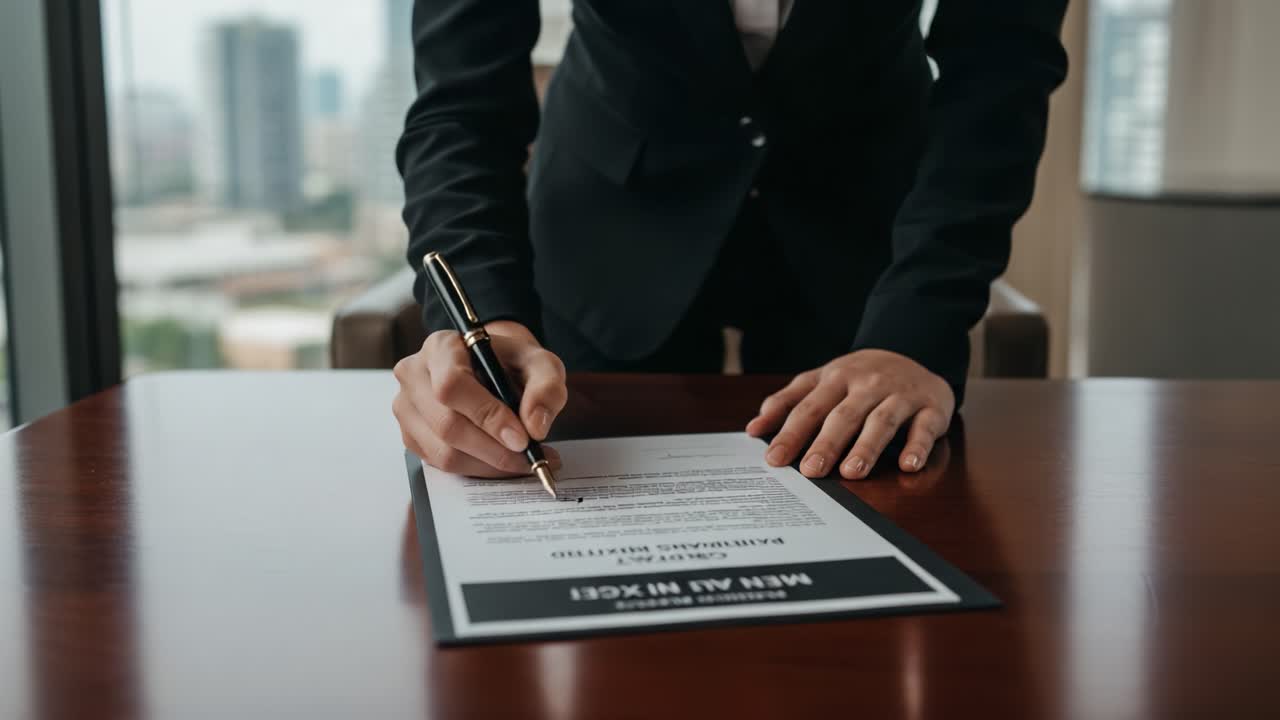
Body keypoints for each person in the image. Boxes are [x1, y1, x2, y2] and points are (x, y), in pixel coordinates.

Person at [392, 0, 1068, 481]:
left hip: (864, 233)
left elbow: (999, 76)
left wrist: (916, 333)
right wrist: (482, 317)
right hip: (610, 224)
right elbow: (460, 106)